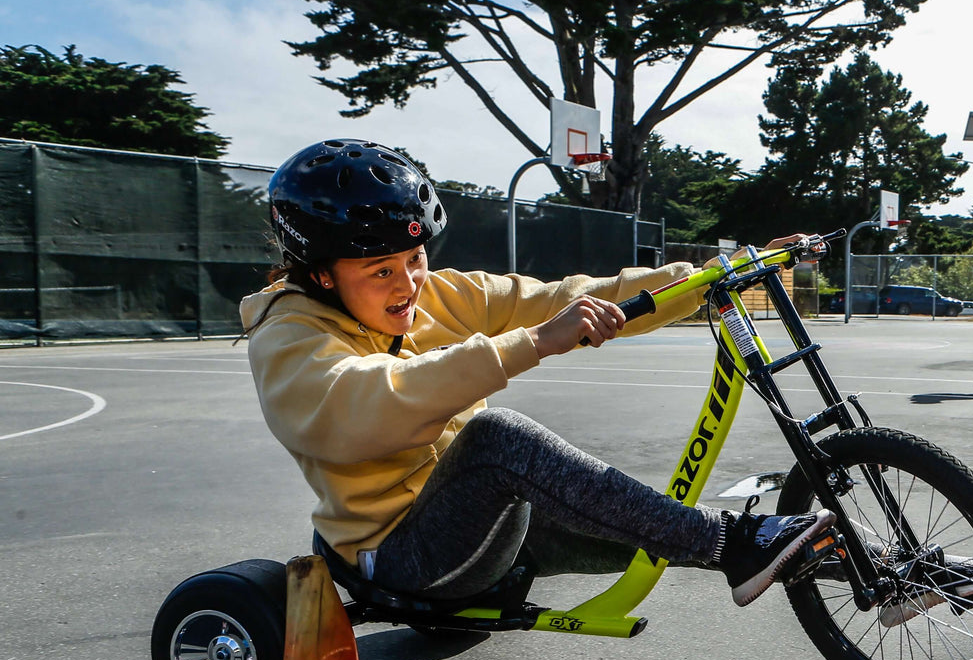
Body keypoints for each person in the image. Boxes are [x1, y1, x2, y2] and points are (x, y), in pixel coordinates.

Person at [240, 139, 838, 609]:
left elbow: (568, 297)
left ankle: (871, 561)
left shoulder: (441, 294)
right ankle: (728, 541)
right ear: (321, 274)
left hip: (482, 527)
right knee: (496, 439)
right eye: (380, 271)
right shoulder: (290, 338)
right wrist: (532, 344)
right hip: (399, 557)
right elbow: (369, 402)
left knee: (642, 518)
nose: (408, 285)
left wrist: (713, 275)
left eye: (415, 259)